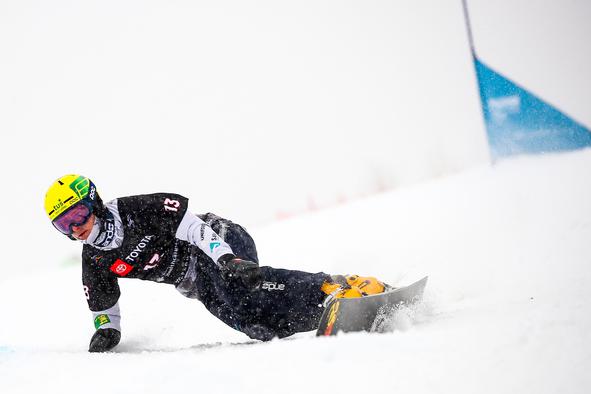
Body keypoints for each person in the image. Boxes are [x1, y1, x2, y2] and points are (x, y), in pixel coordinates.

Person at [44, 174, 389, 352]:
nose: (76, 228)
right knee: (254, 325)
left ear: (93, 202)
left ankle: (337, 285)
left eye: (77, 214)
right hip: (198, 284)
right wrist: (105, 336)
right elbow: (106, 315)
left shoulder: (134, 210)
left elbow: (193, 227)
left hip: (217, 243)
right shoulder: (95, 261)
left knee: (241, 290)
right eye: (64, 224)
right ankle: (333, 312)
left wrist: (227, 258)